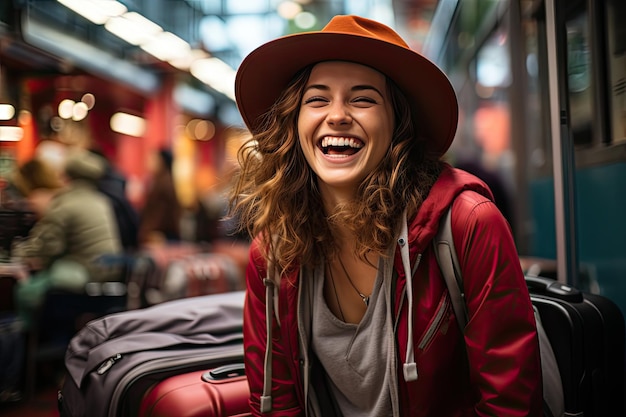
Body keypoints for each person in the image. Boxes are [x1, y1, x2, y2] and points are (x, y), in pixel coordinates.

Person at [230, 15, 542, 416]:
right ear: (294, 123)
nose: (337, 115)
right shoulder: (272, 255)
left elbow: (509, 405)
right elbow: (276, 403)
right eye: (317, 99)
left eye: (362, 99)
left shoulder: (470, 224)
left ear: (398, 125)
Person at [12, 149, 122, 330]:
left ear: (66, 176)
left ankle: (29, 344)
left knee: (26, 292)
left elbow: (47, 246)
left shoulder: (66, 204)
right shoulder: (100, 200)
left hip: (84, 272)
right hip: (107, 271)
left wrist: (20, 252)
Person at [138, 148, 182, 246]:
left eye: (154, 159)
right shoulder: (163, 181)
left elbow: (158, 215)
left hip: (161, 237)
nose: (150, 162)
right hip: (165, 236)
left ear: (162, 162)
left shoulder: (163, 184)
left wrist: (148, 232)